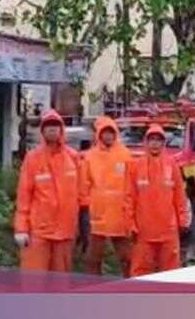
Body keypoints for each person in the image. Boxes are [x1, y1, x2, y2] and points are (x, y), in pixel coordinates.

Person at [13, 109, 83, 272]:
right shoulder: (33, 158)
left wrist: (82, 226)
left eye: (56, 126)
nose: (52, 129)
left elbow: (82, 194)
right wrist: (21, 228)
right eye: (49, 126)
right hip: (39, 232)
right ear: (43, 131)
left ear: (61, 130)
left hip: (65, 231)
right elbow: (24, 194)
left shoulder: (73, 157)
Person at [127, 124, 191, 277]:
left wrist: (183, 220)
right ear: (146, 142)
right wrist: (130, 223)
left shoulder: (172, 165)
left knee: (171, 271)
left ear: (163, 143)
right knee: (141, 271)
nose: (155, 143)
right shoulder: (136, 166)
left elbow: (179, 196)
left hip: (168, 230)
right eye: (152, 140)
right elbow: (129, 197)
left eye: (158, 140)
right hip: (144, 231)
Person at [79, 116, 134, 276]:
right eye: (105, 132)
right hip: (98, 215)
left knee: (126, 257)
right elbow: (84, 184)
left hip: (120, 215)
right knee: (92, 259)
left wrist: (130, 210)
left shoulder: (125, 155)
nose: (108, 136)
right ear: (99, 135)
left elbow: (131, 185)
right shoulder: (90, 156)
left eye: (111, 132)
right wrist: (87, 207)